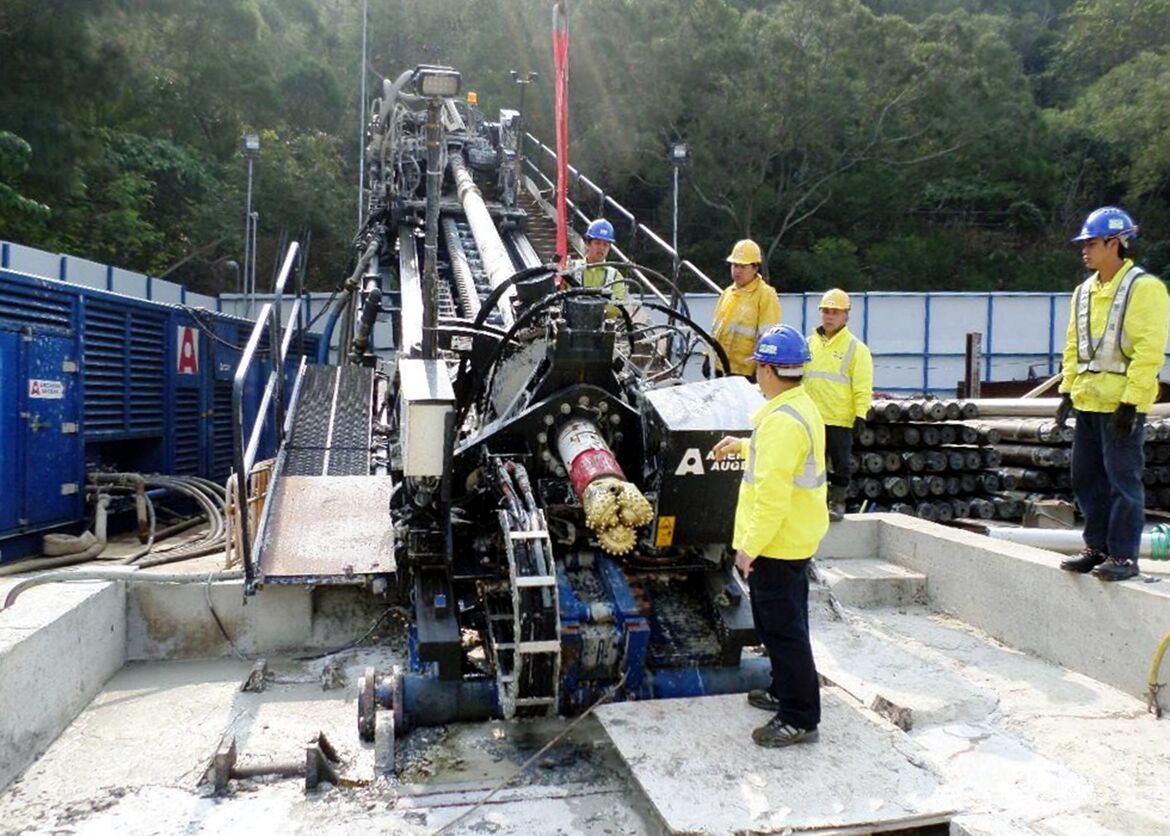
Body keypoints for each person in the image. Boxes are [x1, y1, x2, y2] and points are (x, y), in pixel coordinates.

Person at [711, 324, 829, 748]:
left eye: (758, 367)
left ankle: (799, 717)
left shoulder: (781, 423)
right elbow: (781, 459)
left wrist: (748, 549)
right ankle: (783, 688)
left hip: (776, 544)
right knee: (780, 623)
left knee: (784, 631)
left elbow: (772, 499)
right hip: (794, 538)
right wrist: (742, 445)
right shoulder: (800, 407)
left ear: (766, 369)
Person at [1055, 206, 1169, 581]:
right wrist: (1067, 391)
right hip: (1088, 400)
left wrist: (1131, 403)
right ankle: (1097, 547)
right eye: (1084, 243)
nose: (1084, 250)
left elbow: (1149, 351)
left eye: (1091, 243)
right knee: (1087, 479)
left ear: (1115, 243)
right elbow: (1074, 346)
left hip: (1121, 405)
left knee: (1123, 482)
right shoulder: (1083, 292)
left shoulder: (1144, 288)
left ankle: (1122, 556)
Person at [804, 289, 873, 521]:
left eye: (835, 312)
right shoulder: (808, 344)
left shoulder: (856, 349)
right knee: (812, 466)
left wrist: (861, 414)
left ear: (846, 315)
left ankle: (837, 502)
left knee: (840, 465)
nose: (829, 316)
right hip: (812, 417)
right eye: (826, 311)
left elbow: (862, 386)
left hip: (839, 419)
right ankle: (815, 503)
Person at [707, 239, 781, 379]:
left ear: (755, 268)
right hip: (720, 368)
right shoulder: (727, 293)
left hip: (746, 373)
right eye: (735, 265)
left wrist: (761, 368)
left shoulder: (765, 295)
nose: (737, 271)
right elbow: (716, 330)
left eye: (742, 266)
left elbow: (769, 337)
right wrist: (708, 356)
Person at [568, 218, 627, 317]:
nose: (601, 248)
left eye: (605, 244)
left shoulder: (616, 277)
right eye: (597, 243)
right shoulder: (571, 268)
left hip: (603, 325)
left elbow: (617, 308)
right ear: (588, 243)